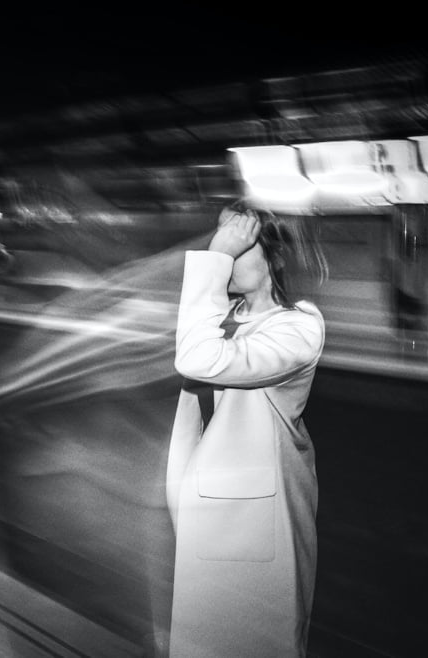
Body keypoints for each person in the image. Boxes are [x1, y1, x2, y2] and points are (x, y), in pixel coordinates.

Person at [165, 200, 328, 657]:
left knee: (253, 644)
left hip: (254, 526)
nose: (228, 251)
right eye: (223, 241)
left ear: (274, 257)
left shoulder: (299, 328)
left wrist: (213, 258)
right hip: (204, 515)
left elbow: (197, 359)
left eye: (240, 242)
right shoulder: (222, 317)